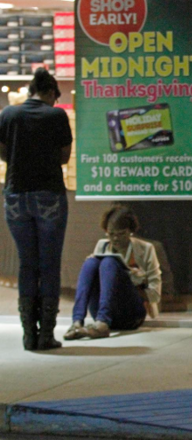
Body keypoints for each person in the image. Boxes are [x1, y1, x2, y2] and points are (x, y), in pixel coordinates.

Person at [0, 68, 72, 351]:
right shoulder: (57, 116)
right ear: (52, 92)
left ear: (30, 90)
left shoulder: (8, 115)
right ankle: (47, 334)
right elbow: (65, 157)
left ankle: (29, 334)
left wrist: (19, 158)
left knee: (27, 263)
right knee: (49, 264)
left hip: (16, 195)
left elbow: (2, 151)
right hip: (49, 195)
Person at [64, 206, 161, 340]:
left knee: (109, 262)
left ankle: (102, 323)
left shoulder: (145, 249)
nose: (115, 239)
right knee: (90, 263)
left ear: (130, 231)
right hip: (104, 310)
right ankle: (77, 322)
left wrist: (133, 278)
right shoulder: (102, 245)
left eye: (121, 234)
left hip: (131, 313)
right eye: (111, 234)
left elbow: (155, 295)